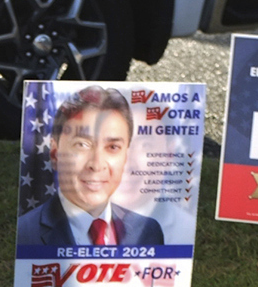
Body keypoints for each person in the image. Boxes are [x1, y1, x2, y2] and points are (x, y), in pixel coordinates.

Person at [14, 85, 163, 248]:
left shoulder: (148, 231)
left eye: (113, 147)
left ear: (125, 157)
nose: (96, 164)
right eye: (82, 145)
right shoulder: (26, 234)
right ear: (55, 154)